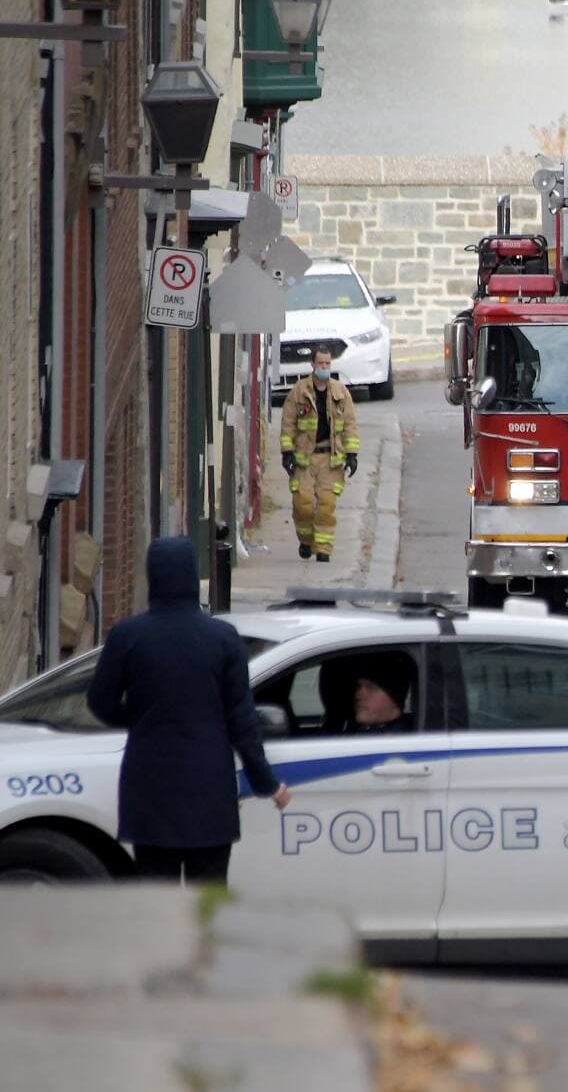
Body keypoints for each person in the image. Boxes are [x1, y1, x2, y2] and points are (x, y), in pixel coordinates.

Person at [85, 537, 291, 884]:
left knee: (156, 896)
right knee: (207, 897)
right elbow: (242, 722)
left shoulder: (128, 636)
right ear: (192, 578)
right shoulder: (223, 639)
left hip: (149, 785)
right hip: (209, 789)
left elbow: (99, 702)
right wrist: (267, 783)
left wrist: (137, 718)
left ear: (153, 576)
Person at [278, 344, 363, 564]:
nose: (324, 367)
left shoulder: (340, 393)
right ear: (313, 365)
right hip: (304, 458)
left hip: (330, 459)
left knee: (326, 505)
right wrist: (287, 453)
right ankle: (306, 541)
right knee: (303, 504)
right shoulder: (299, 391)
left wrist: (352, 454)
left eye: (328, 363)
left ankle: (324, 548)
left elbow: (350, 425)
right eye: (321, 363)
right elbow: (288, 423)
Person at [342, 658, 416, 734]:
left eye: (371, 688)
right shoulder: (351, 730)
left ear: (395, 698)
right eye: (358, 687)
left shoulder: (400, 740)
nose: (357, 696)